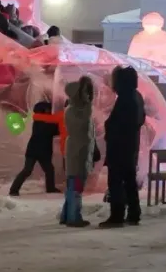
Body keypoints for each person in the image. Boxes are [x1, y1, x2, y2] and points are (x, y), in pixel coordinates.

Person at [99, 65, 145, 227]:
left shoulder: (125, 99)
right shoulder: (136, 97)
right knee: (129, 181)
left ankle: (117, 215)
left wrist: (108, 127)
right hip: (131, 147)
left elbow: (118, 124)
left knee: (116, 182)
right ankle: (134, 213)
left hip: (120, 148)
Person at [60, 76, 97, 227]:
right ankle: (74, 217)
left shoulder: (73, 110)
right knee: (76, 186)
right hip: (78, 152)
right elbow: (84, 128)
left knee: (73, 184)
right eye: (85, 92)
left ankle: (67, 215)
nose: (88, 96)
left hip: (78, 151)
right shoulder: (76, 111)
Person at [9, 99, 61, 196]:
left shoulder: (38, 120)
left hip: (35, 150)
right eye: (48, 109)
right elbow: (54, 131)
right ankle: (50, 188)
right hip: (39, 151)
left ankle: (14, 190)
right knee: (32, 170)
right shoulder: (44, 121)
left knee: (40, 170)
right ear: (44, 110)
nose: (50, 111)